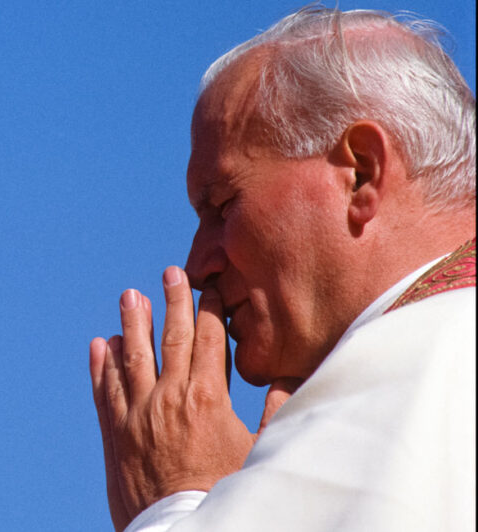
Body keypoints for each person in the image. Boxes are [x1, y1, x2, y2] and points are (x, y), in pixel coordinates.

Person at [89, 5, 475, 531]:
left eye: (223, 206)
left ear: (360, 172)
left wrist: (176, 500)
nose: (196, 266)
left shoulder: (419, 365)